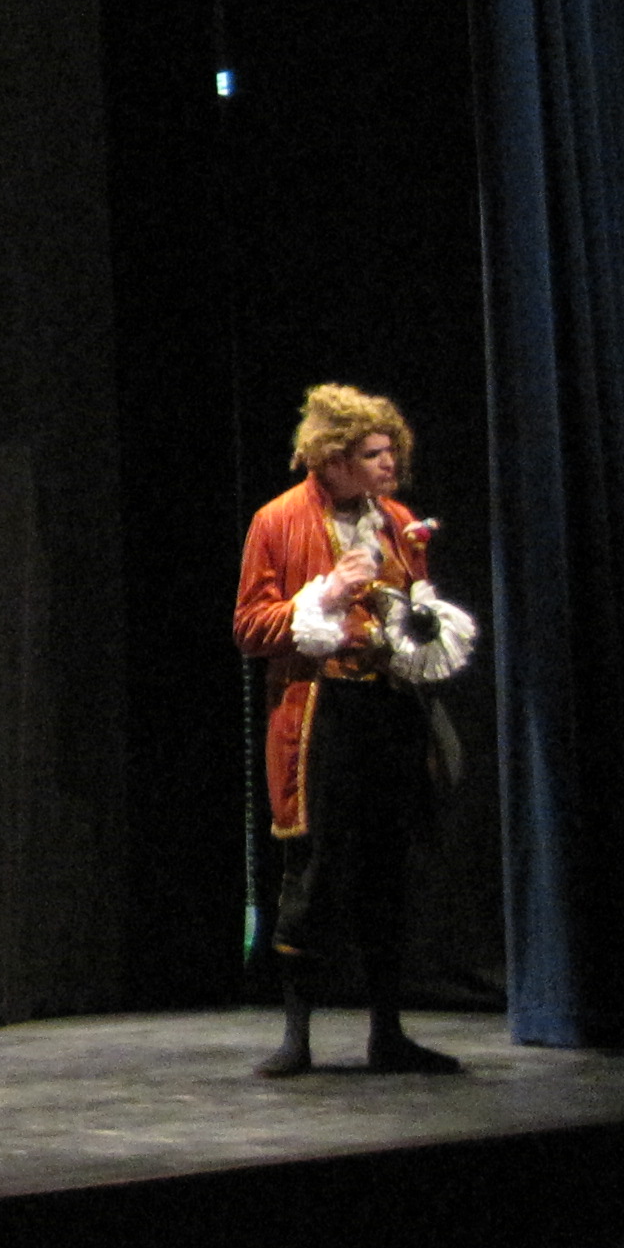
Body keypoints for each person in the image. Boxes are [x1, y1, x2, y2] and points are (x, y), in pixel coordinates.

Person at [233, 382, 477, 1078]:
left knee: (387, 869)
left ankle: (387, 1033)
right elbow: (249, 628)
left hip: (387, 712)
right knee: (311, 872)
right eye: (373, 453)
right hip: (322, 717)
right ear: (332, 458)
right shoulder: (278, 520)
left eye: (390, 450)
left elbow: (412, 607)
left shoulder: (397, 520)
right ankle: (296, 1037)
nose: (389, 463)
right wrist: (329, 596)